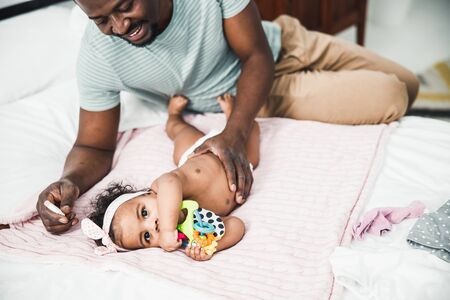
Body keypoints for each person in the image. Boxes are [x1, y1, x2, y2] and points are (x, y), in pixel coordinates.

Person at [36, 0, 419, 234]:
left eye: (125, 6)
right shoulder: (98, 56)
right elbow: (93, 142)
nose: (119, 27)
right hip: (252, 96)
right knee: (392, 94)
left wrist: (235, 133)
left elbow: (255, 54)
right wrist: (69, 182)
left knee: (409, 82)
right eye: (101, 19)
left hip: (279, 45)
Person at [82, 94, 257, 260]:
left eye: (144, 212)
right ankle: (231, 118)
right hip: (238, 165)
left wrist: (167, 229)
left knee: (180, 131)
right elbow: (236, 225)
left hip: (197, 151)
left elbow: (171, 182)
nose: (153, 225)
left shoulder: (162, 187)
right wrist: (210, 246)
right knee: (253, 132)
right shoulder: (193, 231)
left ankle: (173, 116)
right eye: (147, 236)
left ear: (148, 193)